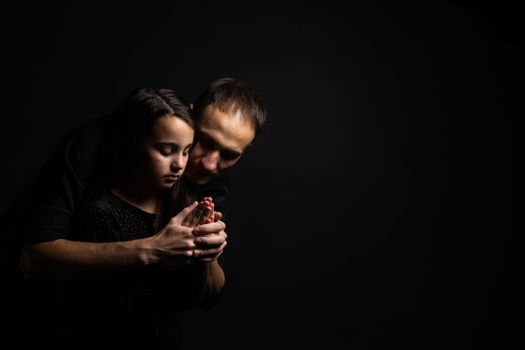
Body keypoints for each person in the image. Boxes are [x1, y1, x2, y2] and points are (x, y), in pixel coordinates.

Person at [2, 78, 266, 348]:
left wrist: (208, 253)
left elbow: (208, 295)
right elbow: (31, 258)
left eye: (229, 155)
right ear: (189, 114)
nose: (209, 164)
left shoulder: (209, 180)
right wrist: (154, 248)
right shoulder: (94, 147)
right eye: (205, 141)